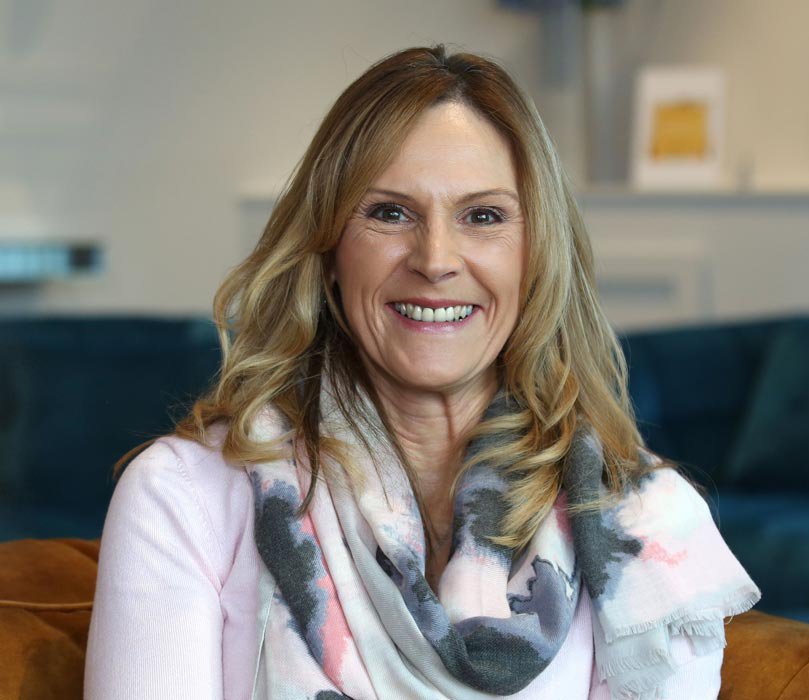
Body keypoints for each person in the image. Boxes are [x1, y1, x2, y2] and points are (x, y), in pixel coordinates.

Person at [84, 44, 761, 699]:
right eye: (390, 213)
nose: (435, 259)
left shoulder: (647, 523)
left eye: (483, 216)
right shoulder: (185, 499)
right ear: (328, 249)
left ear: (537, 256)